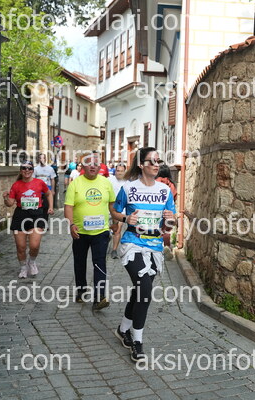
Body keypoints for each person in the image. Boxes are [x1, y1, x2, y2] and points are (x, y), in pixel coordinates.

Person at [109, 147, 176, 362]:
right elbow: (114, 210)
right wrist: (125, 219)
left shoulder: (164, 191)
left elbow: (169, 225)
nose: (156, 165)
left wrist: (169, 219)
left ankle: (123, 329)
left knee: (140, 290)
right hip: (133, 243)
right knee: (145, 290)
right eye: (151, 161)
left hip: (154, 247)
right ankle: (137, 342)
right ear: (141, 164)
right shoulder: (129, 188)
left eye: (158, 161)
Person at [64, 153, 116, 311]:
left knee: (99, 263)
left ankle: (99, 297)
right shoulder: (75, 184)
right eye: (89, 163)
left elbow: (112, 205)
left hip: (101, 231)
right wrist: (71, 224)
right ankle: (81, 290)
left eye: (95, 164)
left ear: (100, 166)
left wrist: (116, 222)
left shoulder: (106, 183)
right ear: (83, 166)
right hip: (80, 232)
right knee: (80, 262)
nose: (92, 166)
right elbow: (68, 207)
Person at [2, 160, 53, 279]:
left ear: (33, 170)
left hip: (37, 215)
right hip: (20, 215)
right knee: (21, 247)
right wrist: (5, 198)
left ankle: (32, 262)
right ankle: (23, 267)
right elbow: (10, 203)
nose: (27, 170)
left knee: (34, 245)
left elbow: (48, 193)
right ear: (21, 171)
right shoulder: (16, 185)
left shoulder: (39, 183)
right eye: (24, 168)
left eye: (29, 168)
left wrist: (50, 207)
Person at [155, 164, 177, 257]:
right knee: (166, 230)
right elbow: (174, 197)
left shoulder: (155, 182)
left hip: (157, 210)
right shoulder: (171, 185)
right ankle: (166, 247)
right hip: (168, 211)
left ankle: (157, 247)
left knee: (156, 229)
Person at [108, 163, 127, 259]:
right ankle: (108, 235)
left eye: (121, 171)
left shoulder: (128, 182)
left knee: (118, 229)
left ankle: (114, 250)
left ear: (125, 172)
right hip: (108, 208)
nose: (119, 173)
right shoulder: (109, 180)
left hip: (121, 209)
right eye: (117, 171)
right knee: (107, 229)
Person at [33, 153, 57, 223]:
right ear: (38, 159)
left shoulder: (50, 169)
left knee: (46, 207)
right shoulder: (35, 169)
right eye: (40, 158)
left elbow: (52, 179)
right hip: (38, 190)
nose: (42, 160)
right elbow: (33, 180)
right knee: (38, 206)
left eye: (43, 158)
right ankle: (38, 222)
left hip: (47, 190)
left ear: (45, 159)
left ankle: (44, 223)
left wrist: (53, 190)